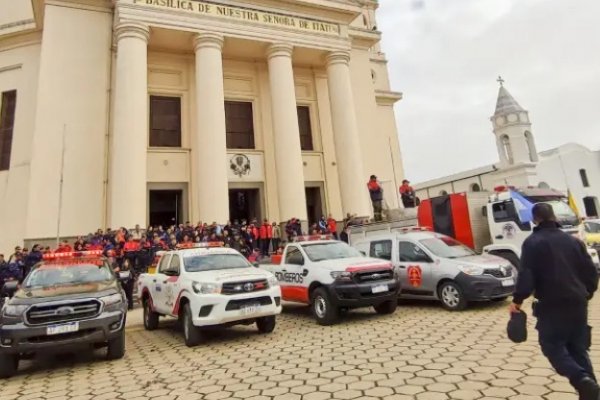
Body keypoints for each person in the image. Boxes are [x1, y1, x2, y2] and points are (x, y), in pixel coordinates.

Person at [510, 203, 599, 400]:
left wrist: (517, 300)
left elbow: (526, 276)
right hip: (578, 302)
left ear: (535, 219)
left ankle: (581, 380)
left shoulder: (532, 243)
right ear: (554, 216)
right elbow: (591, 272)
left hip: (551, 305)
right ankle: (591, 391)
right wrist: (587, 292)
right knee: (578, 348)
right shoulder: (574, 241)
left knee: (551, 345)